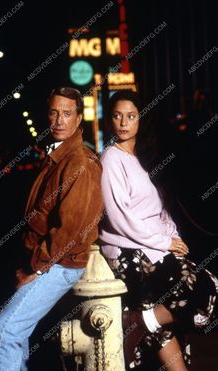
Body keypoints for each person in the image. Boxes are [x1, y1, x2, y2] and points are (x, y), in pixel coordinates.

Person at [0, 87, 103, 371]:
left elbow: (70, 230)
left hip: (61, 262)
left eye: (67, 113)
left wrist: (35, 269)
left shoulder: (79, 162)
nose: (59, 120)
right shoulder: (57, 157)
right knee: (16, 333)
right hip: (47, 259)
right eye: (54, 112)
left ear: (78, 120)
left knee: (6, 331)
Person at [99, 90, 218, 370]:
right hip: (131, 252)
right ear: (110, 122)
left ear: (141, 119)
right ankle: (140, 320)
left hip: (153, 247)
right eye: (117, 116)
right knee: (207, 289)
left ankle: (143, 319)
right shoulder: (110, 159)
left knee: (164, 333)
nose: (124, 122)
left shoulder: (141, 159)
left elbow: (158, 209)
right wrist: (164, 243)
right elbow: (119, 218)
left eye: (131, 116)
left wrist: (172, 235)